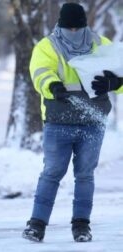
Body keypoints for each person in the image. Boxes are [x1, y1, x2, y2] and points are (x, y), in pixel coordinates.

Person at [22, 2, 123, 243]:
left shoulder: (101, 45)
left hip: (93, 122)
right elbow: (40, 72)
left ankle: (81, 226)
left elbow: (120, 73)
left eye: (79, 28)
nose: (75, 33)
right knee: (52, 172)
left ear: (85, 26)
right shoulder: (47, 46)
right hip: (59, 121)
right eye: (70, 29)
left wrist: (115, 83)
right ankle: (37, 224)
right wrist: (52, 85)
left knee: (85, 174)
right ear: (61, 25)